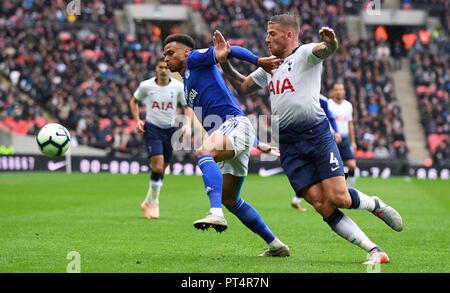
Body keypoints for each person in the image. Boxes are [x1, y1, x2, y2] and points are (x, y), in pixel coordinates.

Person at [218, 14, 403, 264]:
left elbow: (324, 49)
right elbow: (244, 86)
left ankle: (375, 204)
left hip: (316, 135)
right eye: (267, 33)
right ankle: (374, 250)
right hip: (288, 143)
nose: (266, 39)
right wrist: (224, 63)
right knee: (320, 204)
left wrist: (332, 43)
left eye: (272, 33)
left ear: (289, 35)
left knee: (339, 198)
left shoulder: (305, 53)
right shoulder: (269, 65)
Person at [162, 32, 290, 256]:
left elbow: (229, 50)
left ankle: (215, 213)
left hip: (234, 125)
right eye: (164, 55)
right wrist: (258, 143)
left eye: (170, 53)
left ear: (186, 52)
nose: (166, 59)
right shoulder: (187, 85)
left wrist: (258, 61)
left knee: (203, 152)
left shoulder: (195, 60)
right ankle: (276, 245)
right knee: (231, 198)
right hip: (233, 130)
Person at [129, 58, 193, 219]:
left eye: (166, 67)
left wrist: (187, 124)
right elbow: (133, 101)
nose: (164, 70)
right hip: (152, 128)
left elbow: (187, 106)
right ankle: (154, 204)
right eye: (161, 67)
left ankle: (147, 201)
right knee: (157, 167)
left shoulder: (178, 86)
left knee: (162, 170)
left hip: (170, 130)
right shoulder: (146, 85)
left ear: (168, 69)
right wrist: (137, 120)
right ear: (156, 69)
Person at [291, 94, 340, 211]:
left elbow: (330, 117)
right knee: (318, 170)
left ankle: (297, 199)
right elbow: (330, 117)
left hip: (307, 140)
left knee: (310, 171)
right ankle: (331, 197)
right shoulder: (318, 98)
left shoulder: (319, 99)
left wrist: (336, 132)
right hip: (313, 140)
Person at [328, 83, 358, 188]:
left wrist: (353, 141)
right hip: (331, 139)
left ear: (344, 91)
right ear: (333, 92)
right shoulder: (328, 104)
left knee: (352, 165)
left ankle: (350, 190)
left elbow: (350, 124)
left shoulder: (348, 105)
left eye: (341, 89)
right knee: (331, 167)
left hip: (344, 139)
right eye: (336, 89)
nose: (339, 91)